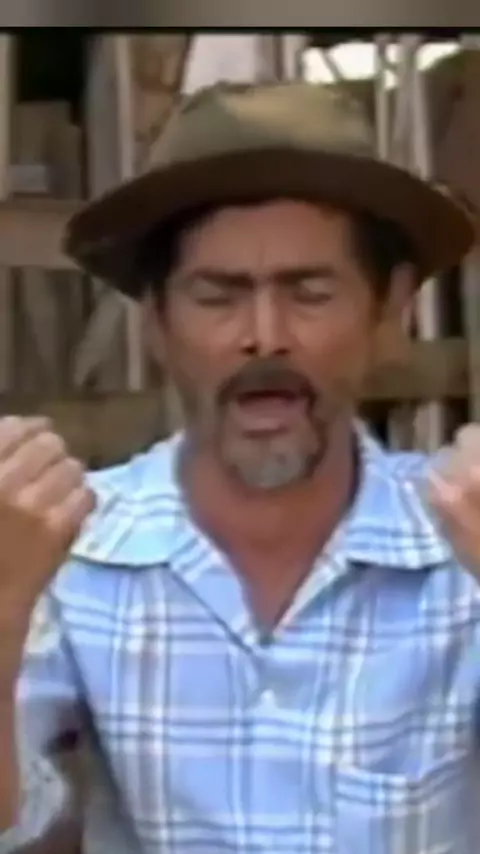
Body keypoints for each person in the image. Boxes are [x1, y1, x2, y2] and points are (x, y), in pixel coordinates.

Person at [0, 80, 479, 854]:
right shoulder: (74, 547)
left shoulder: (462, 539)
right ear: (157, 321)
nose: (264, 336)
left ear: (388, 311)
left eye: (309, 292)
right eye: (217, 296)